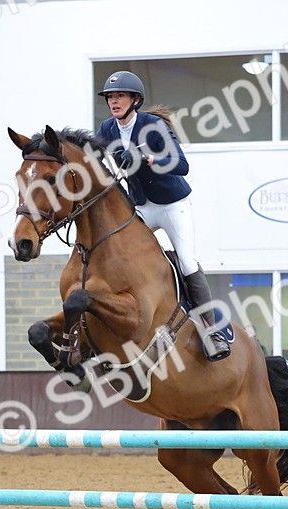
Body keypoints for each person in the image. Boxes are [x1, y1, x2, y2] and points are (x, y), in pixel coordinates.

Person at [94, 70, 230, 361]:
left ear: (135, 100)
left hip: (171, 205)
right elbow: (91, 157)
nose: (113, 101)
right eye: (110, 97)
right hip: (141, 205)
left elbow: (181, 165)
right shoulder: (107, 128)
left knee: (186, 261)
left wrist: (147, 159)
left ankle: (213, 330)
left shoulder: (152, 126)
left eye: (119, 96)